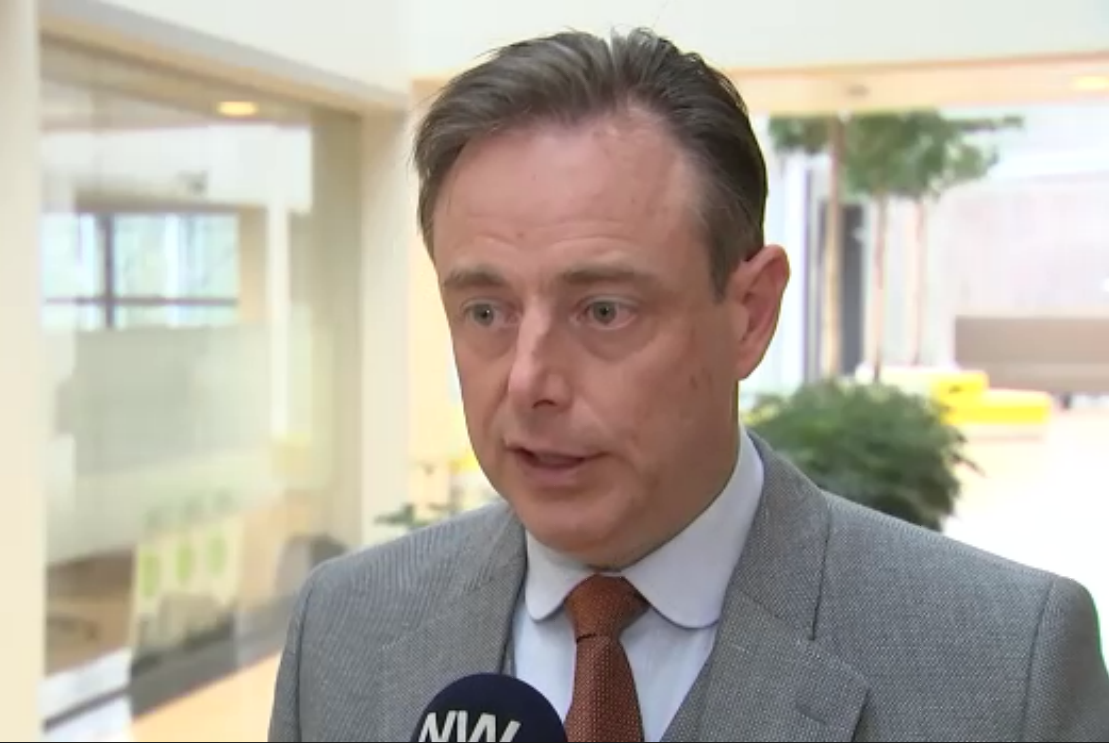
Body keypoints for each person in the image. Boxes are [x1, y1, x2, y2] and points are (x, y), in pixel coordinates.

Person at [267, 27, 1109, 743]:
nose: (528, 382)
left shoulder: (1005, 669)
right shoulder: (343, 629)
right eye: (485, 311)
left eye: (603, 310)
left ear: (749, 313)